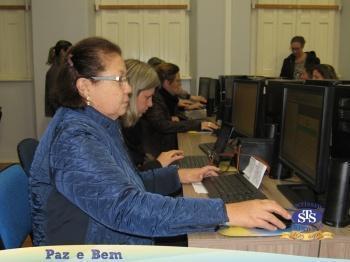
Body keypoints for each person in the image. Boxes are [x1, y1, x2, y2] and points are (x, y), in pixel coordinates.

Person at [29, 37, 290, 246]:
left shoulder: (96, 123)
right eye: (119, 80)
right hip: (90, 250)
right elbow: (127, 209)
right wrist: (227, 212)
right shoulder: (75, 139)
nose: (128, 89)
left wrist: (176, 177)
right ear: (85, 87)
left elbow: (126, 185)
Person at [141, 62, 219, 157]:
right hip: (158, 150)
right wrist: (197, 124)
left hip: (163, 144)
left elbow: (168, 120)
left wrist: (193, 122)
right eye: (177, 81)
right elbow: (163, 125)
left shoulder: (166, 97)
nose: (180, 84)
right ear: (166, 83)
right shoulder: (155, 98)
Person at [45, 40, 72, 117]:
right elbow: (53, 96)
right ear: (62, 51)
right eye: (69, 52)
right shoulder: (55, 71)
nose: (71, 55)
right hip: (61, 113)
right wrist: (61, 113)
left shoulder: (61, 68)